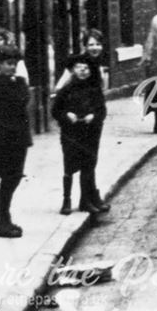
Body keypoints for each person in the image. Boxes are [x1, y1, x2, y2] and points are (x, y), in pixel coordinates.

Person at [52, 57, 109, 215]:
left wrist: (93, 116)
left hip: (90, 133)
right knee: (69, 167)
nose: (83, 70)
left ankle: (85, 201)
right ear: (72, 70)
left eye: (86, 68)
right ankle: (66, 201)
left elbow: (102, 111)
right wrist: (67, 115)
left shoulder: (94, 89)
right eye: (79, 67)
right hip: (71, 133)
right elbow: (55, 111)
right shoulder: (66, 90)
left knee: (87, 166)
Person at [0, 45, 31, 237]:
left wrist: (17, 83)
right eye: (8, 64)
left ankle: (6, 219)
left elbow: (24, 99)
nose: (12, 67)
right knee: (8, 179)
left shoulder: (19, 81)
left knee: (15, 177)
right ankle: (3, 222)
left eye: (15, 64)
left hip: (19, 138)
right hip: (4, 140)